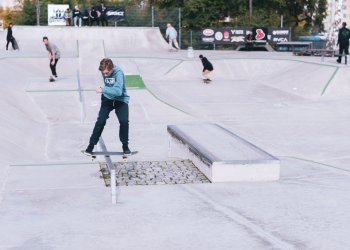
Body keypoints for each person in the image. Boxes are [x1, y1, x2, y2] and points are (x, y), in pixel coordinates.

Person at [84, 58, 131, 156]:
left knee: (124, 121)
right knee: (101, 120)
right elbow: (107, 81)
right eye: (103, 73)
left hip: (120, 99)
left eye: (106, 73)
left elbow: (118, 91)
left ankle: (125, 145)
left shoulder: (119, 73)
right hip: (107, 99)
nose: (104, 75)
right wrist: (105, 91)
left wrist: (103, 89)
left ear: (112, 68)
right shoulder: (104, 70)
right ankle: (91, 144)